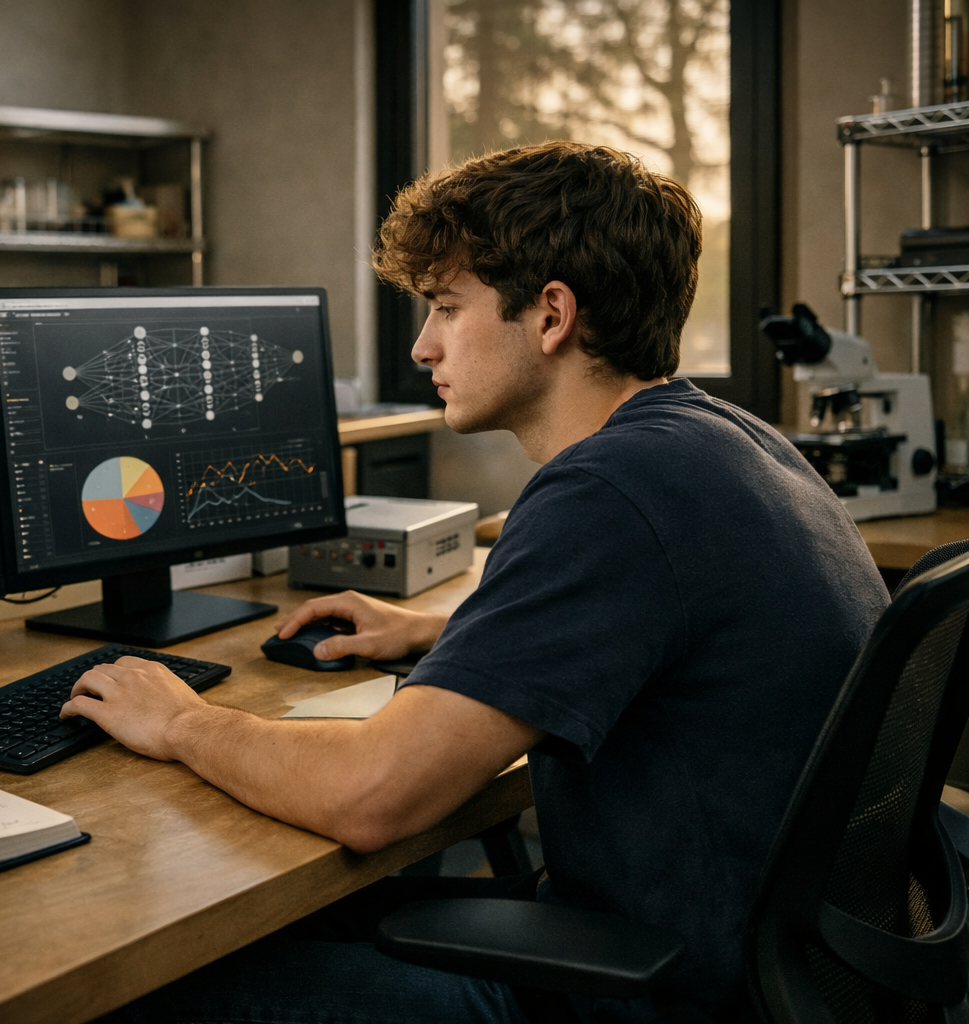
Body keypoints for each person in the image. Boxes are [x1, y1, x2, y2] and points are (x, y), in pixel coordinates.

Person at [69, 141, 888, 1023]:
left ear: (551, 316)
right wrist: (443, 632)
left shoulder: (606, 492)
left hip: (660, 992)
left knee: (142, 992)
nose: (423, 345)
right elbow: (674, 625)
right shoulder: (724, 440)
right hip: (780, 966)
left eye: (446, 307)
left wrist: (183, 721)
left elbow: (374, 797)